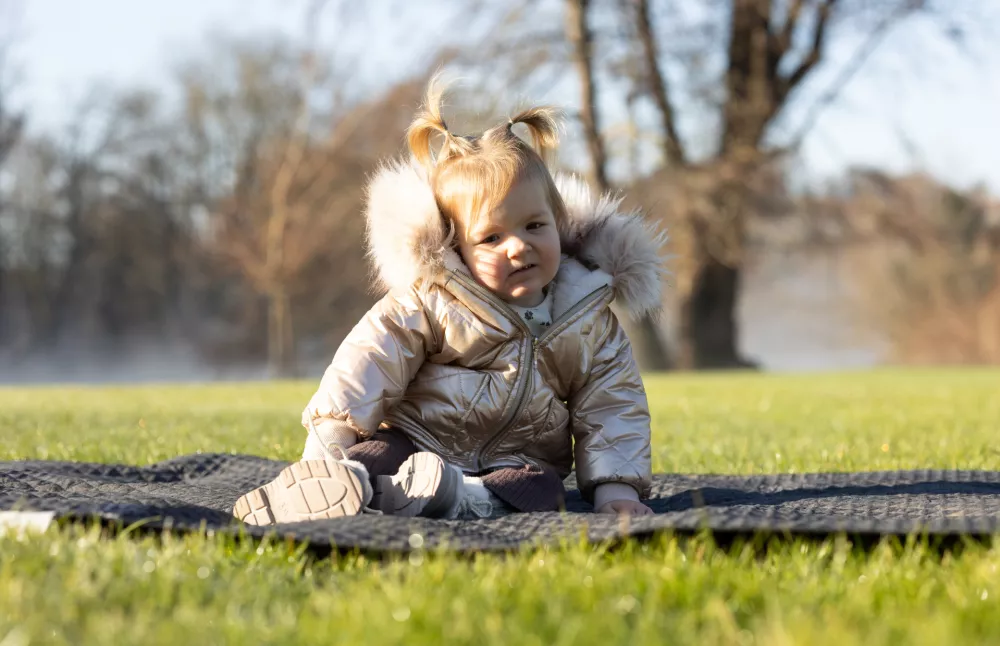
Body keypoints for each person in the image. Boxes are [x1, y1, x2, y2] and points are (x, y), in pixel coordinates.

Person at [232, 76, 667, 525]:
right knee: (377, 453)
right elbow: (370, 359)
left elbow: (613, 404)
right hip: (417, 439)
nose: (517, 247)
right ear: (458, 246)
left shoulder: (589, 315)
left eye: (534, 226)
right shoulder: (434, 299)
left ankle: (456, 497)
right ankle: (340, 482)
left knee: (542, 490)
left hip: (519, 457)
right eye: (492, 238)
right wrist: (331, 437)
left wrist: (615, 488)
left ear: (559, 222)